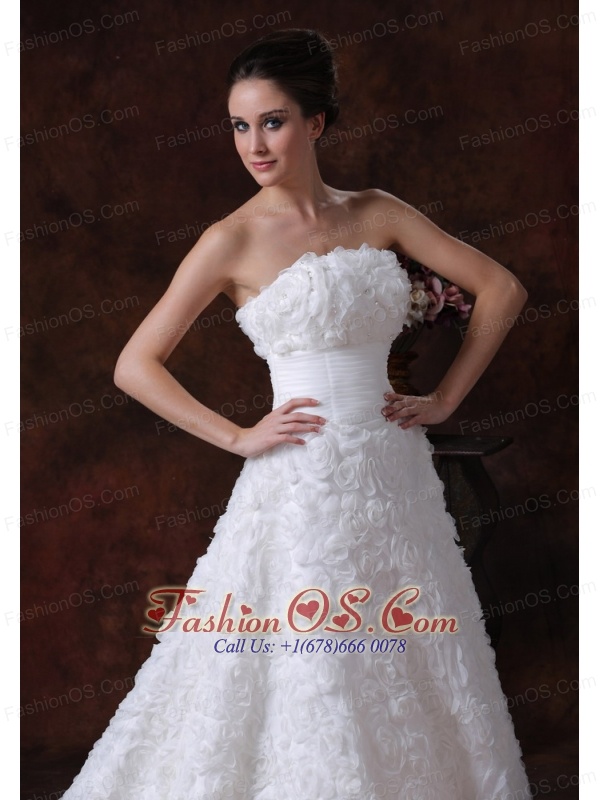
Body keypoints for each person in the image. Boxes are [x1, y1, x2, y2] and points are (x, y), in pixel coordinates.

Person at [62, 28, 532, 800]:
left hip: (395, 472)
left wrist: (447, 398)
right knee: (319, 656)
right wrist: (238, 436)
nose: (254, 144)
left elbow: (502, 289)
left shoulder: (377, 211)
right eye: (239, 126)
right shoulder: (230, 239)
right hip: (301, 481)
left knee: (415, 647)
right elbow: (133, 364)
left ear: (316, 123)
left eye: (272, 122)